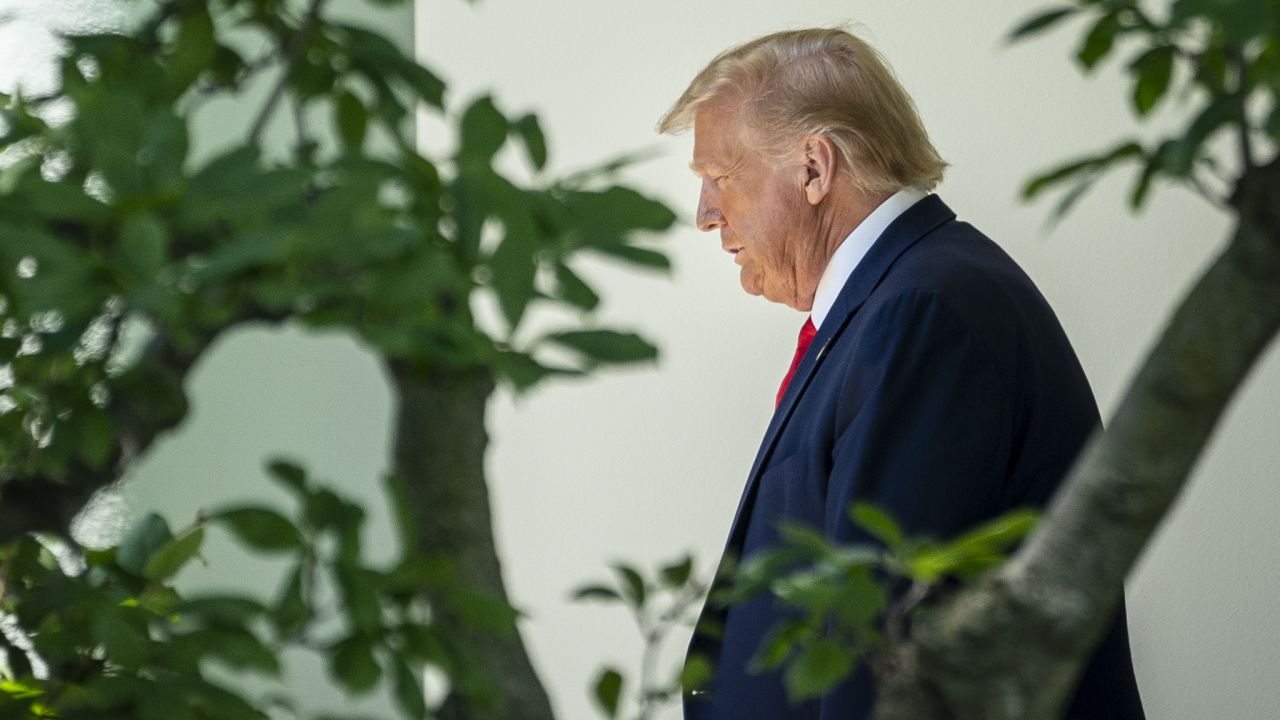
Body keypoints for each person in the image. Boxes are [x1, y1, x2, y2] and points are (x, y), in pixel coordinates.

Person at [657, 28, 1145, 720]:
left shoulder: (924, 313)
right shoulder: (904, 300)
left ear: (815, 169)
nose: (705, 214)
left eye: (721, 177)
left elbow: (887, 646)